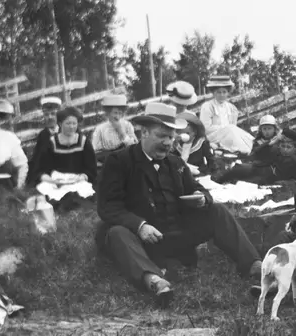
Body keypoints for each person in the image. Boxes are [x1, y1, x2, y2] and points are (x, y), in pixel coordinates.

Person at [95, 101, 261, 308]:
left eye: (171, 137)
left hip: (176, 236)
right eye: (161, 136)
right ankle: (155, 281)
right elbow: (108, 207)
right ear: (143, 133)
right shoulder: (119, 162)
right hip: (141, 241)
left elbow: (197, 188)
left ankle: (255, 266)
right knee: (116, 232)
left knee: (217, 210)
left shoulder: (175, 163)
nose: (167, 143)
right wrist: (140, 225)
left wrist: (202, 198)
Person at [31, 105, 97, 211]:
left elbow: (91, 168)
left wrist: (81, 177)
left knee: (82, 194)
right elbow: (40, 169)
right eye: (68, 123)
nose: (71, 127)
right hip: (56, 181)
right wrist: (53, 181)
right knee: (52, 195)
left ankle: (72, 203)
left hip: (77, 180)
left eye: (74, 123)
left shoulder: (83, 142)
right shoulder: (51, 143)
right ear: (60, 124)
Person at [198, 75, 256, 155]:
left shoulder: (232, 108)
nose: (221, 95)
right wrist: (225, 128)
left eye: (224, 92)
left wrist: (228, 129)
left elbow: (234, 129)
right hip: (212, 137)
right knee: (231, 128)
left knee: (241, 133)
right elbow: (205, 128)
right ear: (213, 93)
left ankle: (254, 147)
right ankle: (245, 151)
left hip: (229, 136)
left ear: (228, 93)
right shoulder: (207, 106)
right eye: (218, 92)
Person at [91, 93, 138, 171]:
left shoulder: (127, 125)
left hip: (126, 163)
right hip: (107, 164)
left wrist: (122, 133)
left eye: (120, 113)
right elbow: (95, 150)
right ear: (108, 113)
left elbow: (134, 147)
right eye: (115, 113)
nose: (117, 116)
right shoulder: (100, 129)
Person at [25, 95, 63, 187]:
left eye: (53, 114)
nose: (49, 117)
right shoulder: (43, 136)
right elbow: (37, 162)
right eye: (46, 114)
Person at [177, 111, 216, 178]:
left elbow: (210, 160)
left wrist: (207, 173)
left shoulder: (201, 143)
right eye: (181, 133)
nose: (184, 135)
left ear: (194, 132)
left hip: (199, 172)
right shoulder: (177, 144)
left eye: (188, 133)